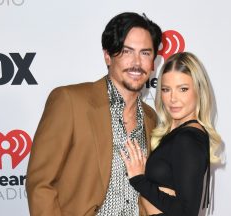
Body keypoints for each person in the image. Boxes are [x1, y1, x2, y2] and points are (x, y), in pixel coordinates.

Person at [26, 12, 162, 216]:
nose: (136, 62)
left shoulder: (151, 118)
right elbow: (40, 183)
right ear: (108, 55)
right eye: (127, 51)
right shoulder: (70, 101)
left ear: (153, 62)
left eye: (145, 53)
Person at [121, 52, 222, 216]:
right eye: (166, 89)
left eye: (183, 89)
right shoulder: (177, 132)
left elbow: (187, 212)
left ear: (199, 90)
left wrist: (139, 180)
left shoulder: (188, 138)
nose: (173, 98)